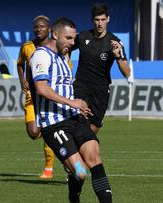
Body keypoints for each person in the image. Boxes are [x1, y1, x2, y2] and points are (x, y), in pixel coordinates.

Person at [30, 17, 112, 203]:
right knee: (81, 172)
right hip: (54, 124)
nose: (72, 43)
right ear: (55, 34)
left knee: (95, 157)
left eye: (74, 39)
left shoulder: (63, 58)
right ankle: (74, 197)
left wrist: (79, 105)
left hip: (75, 118)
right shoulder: (41, 56)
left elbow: (64, 88)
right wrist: (70, 102)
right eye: (68, 38)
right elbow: (42, 88)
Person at [72, 3, 131, 136]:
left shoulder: (115, 42)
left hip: (101, 90)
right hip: (82, 86)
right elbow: (65, 48)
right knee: (80, 120)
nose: (100, 23)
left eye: (103, 20)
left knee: (92, 130)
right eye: (97, 20)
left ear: (108, 19)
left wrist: (118, 56)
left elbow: (127, 72)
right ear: (92, 20)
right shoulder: (82, 37)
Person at [16, 15, 55, 179]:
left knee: (47, 129)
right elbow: (19, 64)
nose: (39, 29)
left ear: (49, 29)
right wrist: (22, 80)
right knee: (33, 133)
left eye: (42, 26)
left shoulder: (55, 47)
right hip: (32, 96)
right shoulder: (27, 47)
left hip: (48, 95)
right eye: (36, 27)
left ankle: (48, 168)